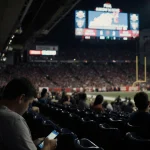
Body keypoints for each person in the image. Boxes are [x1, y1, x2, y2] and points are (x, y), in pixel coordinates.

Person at [0, 78, 56, 150]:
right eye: (29, 104)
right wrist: (48, 147)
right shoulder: (13, 119)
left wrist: (30, 143)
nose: (27, 109)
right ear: (21, 98)